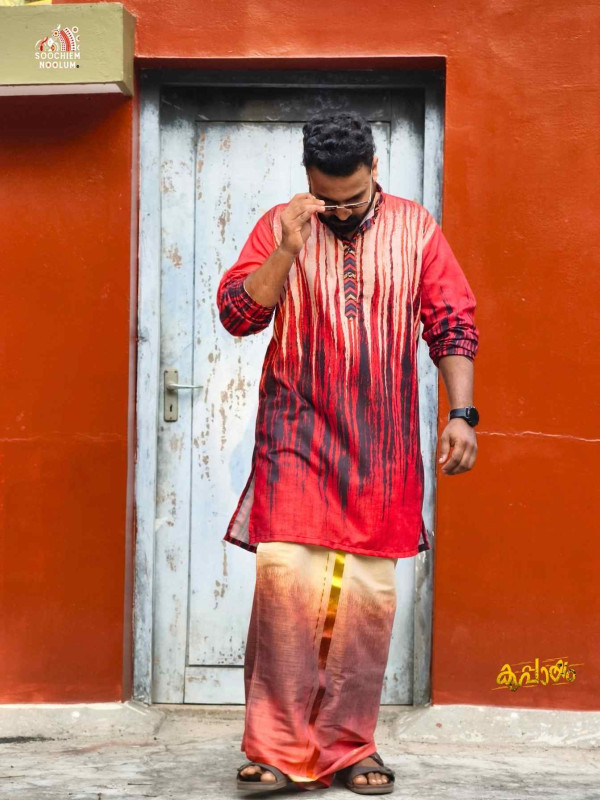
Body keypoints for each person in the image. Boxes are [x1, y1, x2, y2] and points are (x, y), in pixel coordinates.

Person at [216, 111, 480, 794]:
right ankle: (275, 749)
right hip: (294, 436)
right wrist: (288, 246)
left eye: (353, 198)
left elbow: (452, 322)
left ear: (374, 172)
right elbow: (239, 315)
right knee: (284, 586)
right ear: (307, 179)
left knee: (365, 600)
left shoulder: (416, 229)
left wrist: (462, 414)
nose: (339, 210)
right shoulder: (281, 224)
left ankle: (350, 747)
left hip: (381, 448)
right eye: (326, 198)